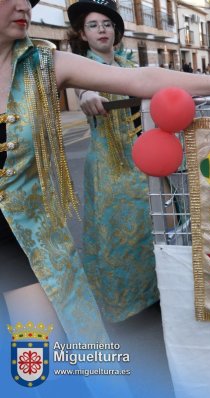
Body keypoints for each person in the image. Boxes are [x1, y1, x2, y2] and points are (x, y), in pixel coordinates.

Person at [1, 0, 210, 362]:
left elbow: (144, 79)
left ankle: (146, 303)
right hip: (107, 173)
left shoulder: (43, 64)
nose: (23, 5)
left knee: (36, 362)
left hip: (24, 247)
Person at [65, 0, 158, 323]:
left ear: (115, 31)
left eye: (107, 24)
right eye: (93, 25)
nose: (101, 30)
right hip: (109, 167)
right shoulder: (81, 67)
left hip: (141, 164)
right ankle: (124, 308)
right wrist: (87, 95)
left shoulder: (127, 65)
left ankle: (152, 294)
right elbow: (84, 90)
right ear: (82, 33)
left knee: (147, 230)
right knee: (115, 237)